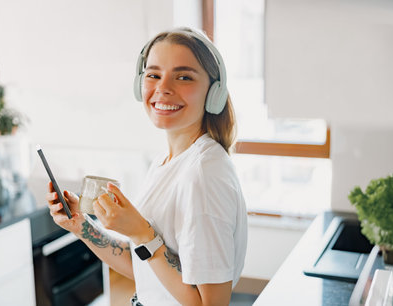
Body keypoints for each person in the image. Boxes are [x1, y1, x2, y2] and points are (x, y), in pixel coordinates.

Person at [46, 27, 247, 306]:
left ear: (214, 92)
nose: (163, 88)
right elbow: (142, 263)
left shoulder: (203, 175)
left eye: (184, 76)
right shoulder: (168, 161)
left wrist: (142, 231)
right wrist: (81, 225)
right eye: (153, 74)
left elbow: (210, 303)